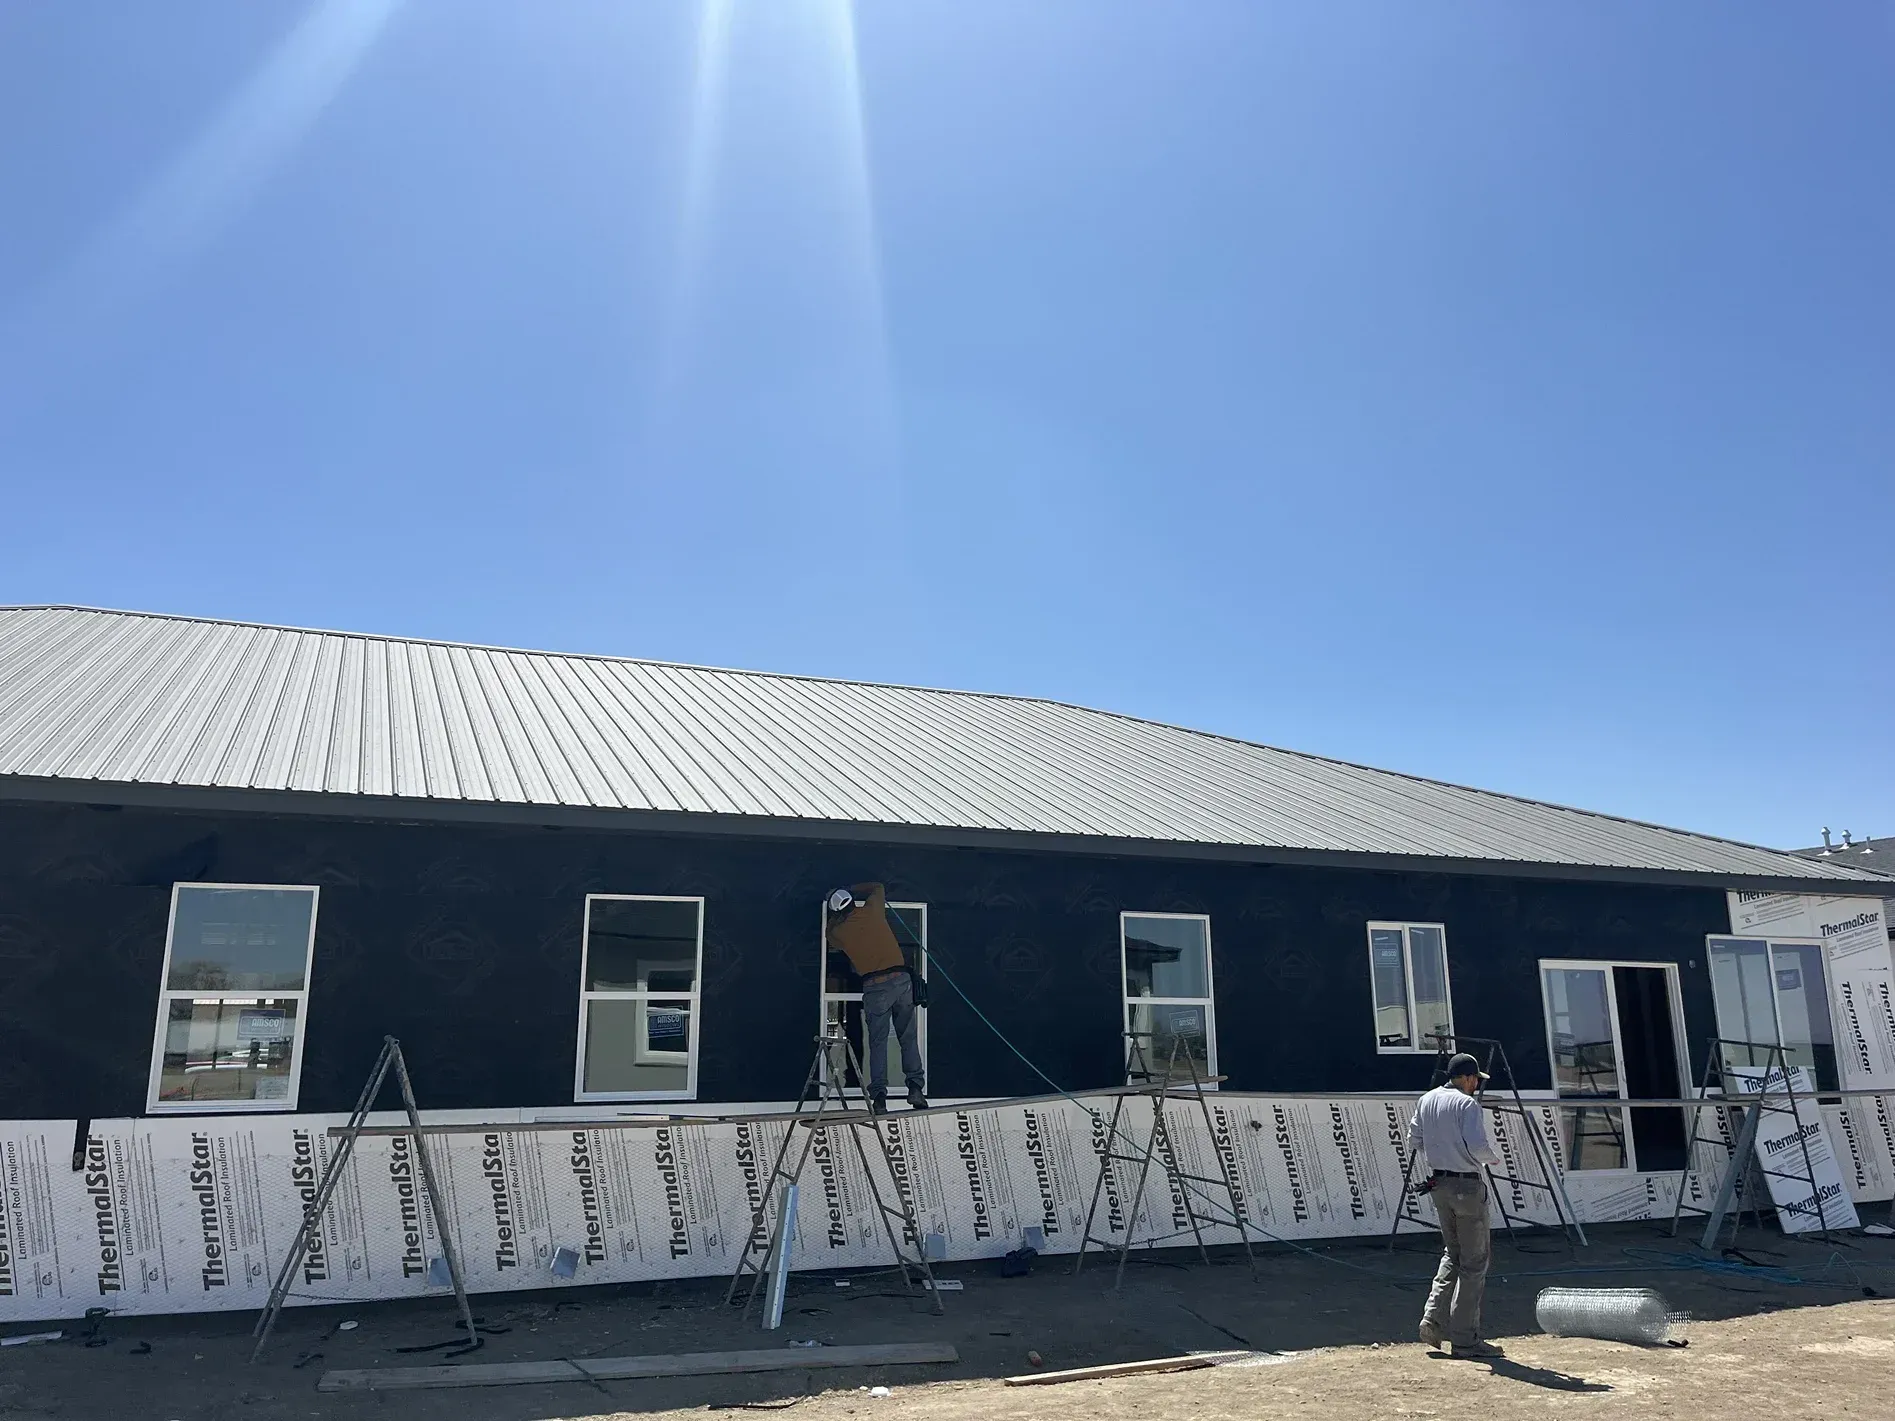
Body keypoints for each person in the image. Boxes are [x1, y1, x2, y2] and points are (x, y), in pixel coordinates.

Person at [1407, 1053, 1503, 1359]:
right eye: (1475, 1079)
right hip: (1466, 1185)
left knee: (1453, 1253)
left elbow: (1414, 1139)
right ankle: (1464, 1339)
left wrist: (1442, 1153)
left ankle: (1432, 1319)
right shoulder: (1467, 1104)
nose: (1476, 1085)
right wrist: (1490, 1158)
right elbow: (1477, 1146)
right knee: (1474, 1262)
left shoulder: (1427, 1100)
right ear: (1468, 1078)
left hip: (1440, 1185)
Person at [825, 883, 926, 1112]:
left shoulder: (840, 932)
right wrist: (851, 888)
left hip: (875, 987)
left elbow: (828, 935)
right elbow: (877, 887)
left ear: (838, 911)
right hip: (901, 981)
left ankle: (879, 1098)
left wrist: (833, 915)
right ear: (852, 901)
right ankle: (915, 1089)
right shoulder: (873, 909)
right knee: (907, 1038)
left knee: (878, 1043)